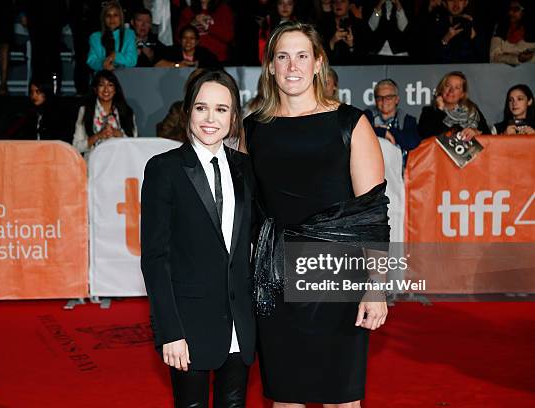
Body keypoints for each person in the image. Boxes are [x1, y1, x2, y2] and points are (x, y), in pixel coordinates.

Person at [242, 21, 389, 407]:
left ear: (318, 63)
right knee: (285, 397)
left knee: (342, 398)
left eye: (302, 56)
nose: (293, 66)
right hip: (275, 277)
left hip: (339, 277)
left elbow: (371, 213)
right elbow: (246, 211)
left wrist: (375, 287)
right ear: (270, 66)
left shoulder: (350, 123)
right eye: (283, 57)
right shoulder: (252, 130)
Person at [141, 69, 256, 408]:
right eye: (202, 107)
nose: (211, 118)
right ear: (188, 110)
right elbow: (154, 258)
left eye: (221, 109)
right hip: (188, 326)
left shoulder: (245, 168)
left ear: (233, 117)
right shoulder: (165, 169)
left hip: (239, 323)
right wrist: (170, 332)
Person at [72, 70, 137, 158]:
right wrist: (98, 136)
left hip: (120, 163)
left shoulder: (126, 111)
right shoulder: (85, 111)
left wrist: (118, 134)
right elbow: (76, 147)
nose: (106, 89)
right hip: (94, 163)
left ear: (115, 90)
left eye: (110, 85)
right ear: (95, 89)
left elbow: (134, 145)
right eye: (101, 85)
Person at [418, 71, 489, 140]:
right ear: (441, 89)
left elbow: (488, 136)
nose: (451, 90)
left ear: (462, 94)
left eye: (457, 88)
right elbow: (425, 136)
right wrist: (440, 109)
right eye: (448, 86)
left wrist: (476, 132)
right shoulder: (429, 111)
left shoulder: (472, 110)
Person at [364, 79, 420, 153]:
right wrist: (382, 132)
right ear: (375, 100)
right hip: (371, 162)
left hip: (400, 164)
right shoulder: (366, 116)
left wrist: (388, 131)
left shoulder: (407, 120)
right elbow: (359, 135)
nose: (384, 101)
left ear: (397, 99)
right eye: (380, 97)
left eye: (389, 97)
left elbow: (412, 143)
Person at [87, 1, 137, 72]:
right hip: (102, 77)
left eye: (115, 15)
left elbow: (132, 60)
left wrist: (115, 56)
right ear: (104, 18)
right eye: (108, 15)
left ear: (121, 17)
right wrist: (103, 64)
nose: (112, 18)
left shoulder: (129, 34)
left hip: (125, 76)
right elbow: (91, 61)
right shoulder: (95, 37)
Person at [490, 0, 535, 65]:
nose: (510, 13)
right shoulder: (500, 30)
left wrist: (530, 57)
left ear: (524, 12)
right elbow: (493, 58)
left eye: (516, 9)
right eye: (509, 9)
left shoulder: (532, 35)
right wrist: (517, 58)